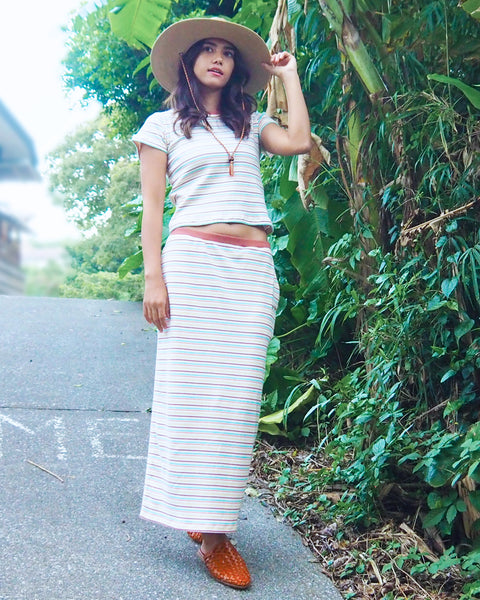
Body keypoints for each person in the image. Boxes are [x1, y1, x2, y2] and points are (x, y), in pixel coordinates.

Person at [132, 16, 312, 590]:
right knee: (191, 394)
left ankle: (206, 514)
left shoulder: (251, 123)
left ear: (236, 69)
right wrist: (154, 279)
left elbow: (300, 142)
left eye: (227, 53)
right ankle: (212, 534)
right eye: (206, 50)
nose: (217, 58)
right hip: (193, 265)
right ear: (187, 63)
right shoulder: (160, 127)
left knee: (235, 398)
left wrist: (289, 78)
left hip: (251, 270)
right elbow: (153, 208)